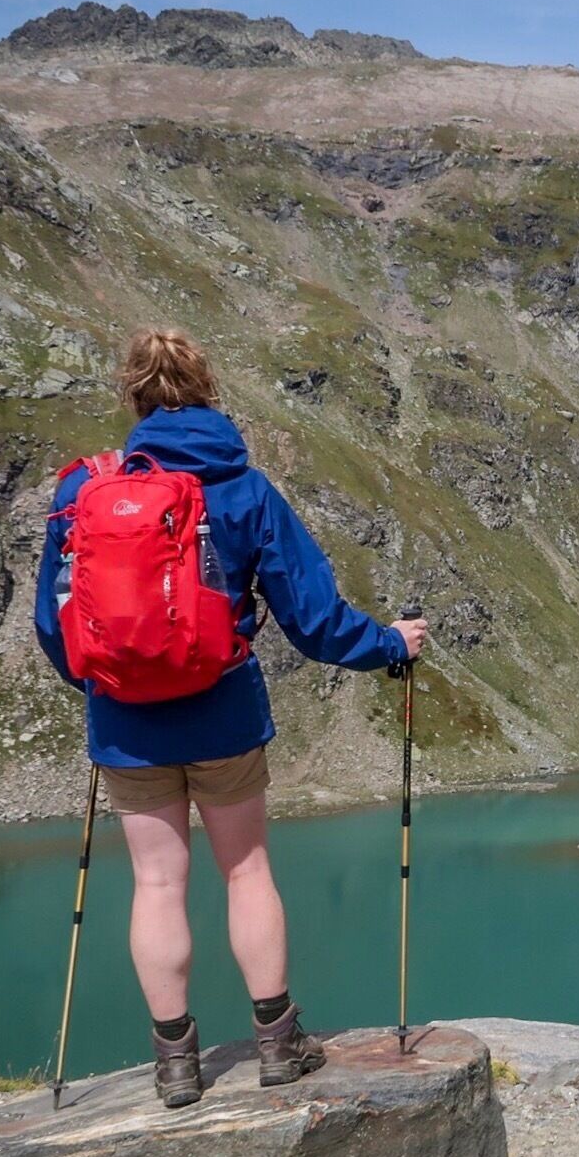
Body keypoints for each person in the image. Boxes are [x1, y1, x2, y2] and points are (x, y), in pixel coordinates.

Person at [35, 328, 427, 1109]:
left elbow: (57, 622)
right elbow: (312, 619)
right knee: (246, 872)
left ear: (135, 399)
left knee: (155, 882)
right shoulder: (243, 491)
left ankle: (176, 1064)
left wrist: (103, 686)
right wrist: (389, 645)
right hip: (224, 717)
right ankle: (279, 1044)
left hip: (126, 726)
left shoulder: (84, 492)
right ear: (208, 394)